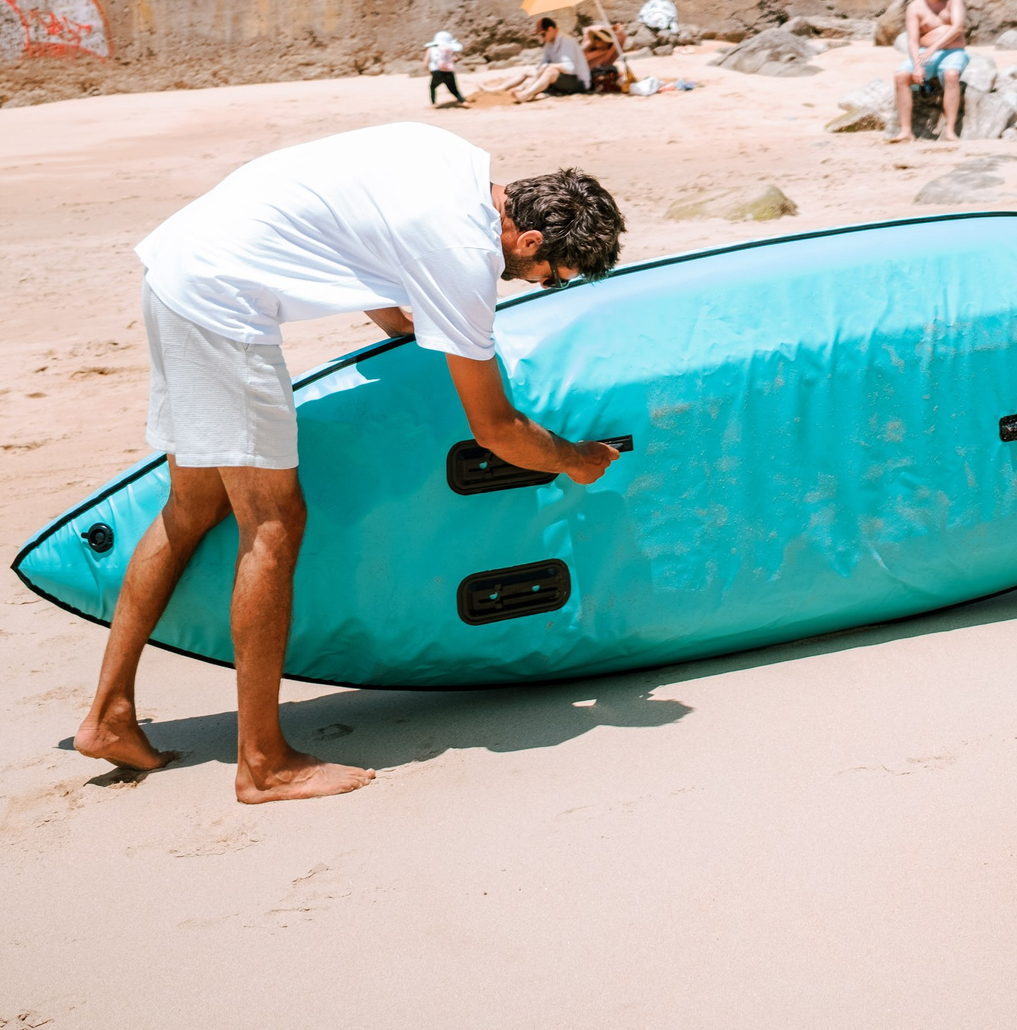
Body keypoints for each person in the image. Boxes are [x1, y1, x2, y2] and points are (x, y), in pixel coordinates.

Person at [73, 125, 627, 802]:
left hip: (180, 269)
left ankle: (109, 717)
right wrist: (575, 459)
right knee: (274, 522)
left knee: (194, 505)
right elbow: (497, 431)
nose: (542, 285)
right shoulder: (465, 254)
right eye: (553, 276)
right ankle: (262, 764)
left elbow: (358, 238)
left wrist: (404, 327)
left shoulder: (450, 160)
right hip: (222, 307)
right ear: (532, 240)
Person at [889, 0, 969, 143]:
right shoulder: (915, 7)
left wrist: (934, 48)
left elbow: (957, 27)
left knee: (951, 74)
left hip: (953, 51)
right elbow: (913, 41)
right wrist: (917, 66)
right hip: (925, 53)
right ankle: (906, 132)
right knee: (901, 76)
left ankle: (949, 131)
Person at [515, 16, 592, 102]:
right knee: (530, 69)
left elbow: (570, 68)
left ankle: (525, 94)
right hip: (563, 78)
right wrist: (540, 71)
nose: (542, 39)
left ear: (550, 29)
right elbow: (543, 64)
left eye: (543, 34)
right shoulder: (549, 43)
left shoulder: (567, 41)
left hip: (579, 83)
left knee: (549, 70)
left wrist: (549, 66)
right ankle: (505, 89)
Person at [582, 21, 632, 95]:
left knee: (612, 70)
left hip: (590, 79)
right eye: (595, 38)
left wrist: (618, 31)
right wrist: (610, 30)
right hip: (580, 76)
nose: (596, 40)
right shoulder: (588, 50)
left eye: (599, 38)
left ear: (607, 42)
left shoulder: (608, 54)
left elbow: (621, 39)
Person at [424, 30, 465, 107]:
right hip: (448, 72)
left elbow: (425, 64)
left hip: (436, 72)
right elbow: (455, 59)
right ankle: (463, 102)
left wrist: (430, 72)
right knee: (454, 89)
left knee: (432, 87)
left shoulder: (430, 49)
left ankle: (434, 104)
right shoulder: (449, 49)